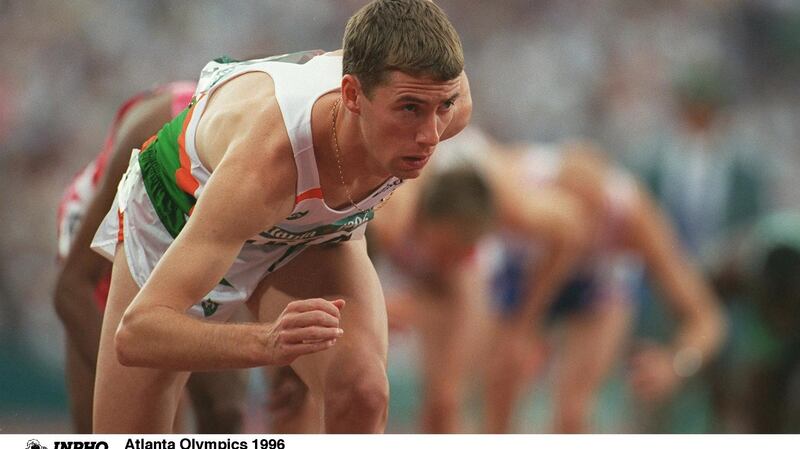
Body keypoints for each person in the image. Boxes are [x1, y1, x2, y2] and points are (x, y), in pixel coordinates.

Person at [89, 0, 471, 433]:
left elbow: (432, 98)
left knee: (362, 391)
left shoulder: (446, 102)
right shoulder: (268, 164)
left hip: (310, 233)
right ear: (351, 96)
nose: (430, 137)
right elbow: (138, 333)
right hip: (183, 208)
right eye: (409, 109)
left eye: (443, 107)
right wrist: (268, 341)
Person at [369, 127, 726, 433]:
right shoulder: (517, 194)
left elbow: (707, 318)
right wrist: (523, 327)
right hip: (521, 272)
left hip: (596, 282)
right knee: (487, 394)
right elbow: (560, 233)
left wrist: (677, 364)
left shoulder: (633, 219)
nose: (575, 222)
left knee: (572, 414)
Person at [54, 82, 248, 433]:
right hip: (106, 246)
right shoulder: (154, 123)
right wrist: (135, 393)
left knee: (225, 409)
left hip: (183, 241)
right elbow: (71, 289)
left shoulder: (278, 152)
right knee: (119, 426)